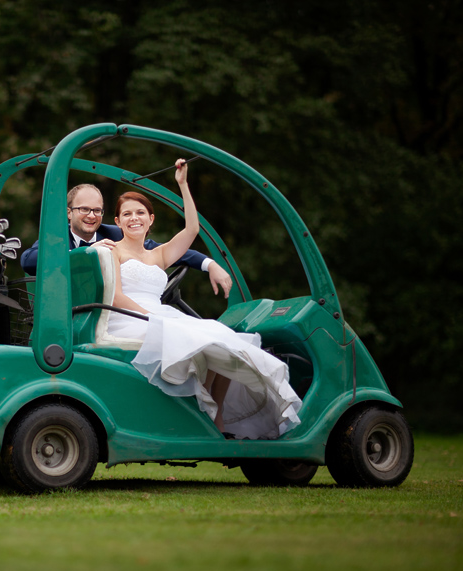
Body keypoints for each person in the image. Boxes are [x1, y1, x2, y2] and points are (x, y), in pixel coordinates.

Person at [106, 160, 302, 440]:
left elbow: (192, 230)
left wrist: (183, 185)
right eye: (126, 214)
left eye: (140, 212)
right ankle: (205, 412)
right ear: (117, 221)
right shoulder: (112, 250)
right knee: (199, 338)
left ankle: (215, 415)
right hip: (130, 317)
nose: (133, 218)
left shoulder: (158, 255)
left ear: (151, 219)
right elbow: (115, 296)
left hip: (160, 315)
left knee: (222, 339)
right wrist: (150, 316)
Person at [20, 184, 233, 299]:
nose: (91, 216)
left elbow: (156, 250)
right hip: (68, 309)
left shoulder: (115, 234)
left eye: (96, 210)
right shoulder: (56, 238)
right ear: (69, 213)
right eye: (84, 209)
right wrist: (83, 255)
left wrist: (209, 264)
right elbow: (29, 262)